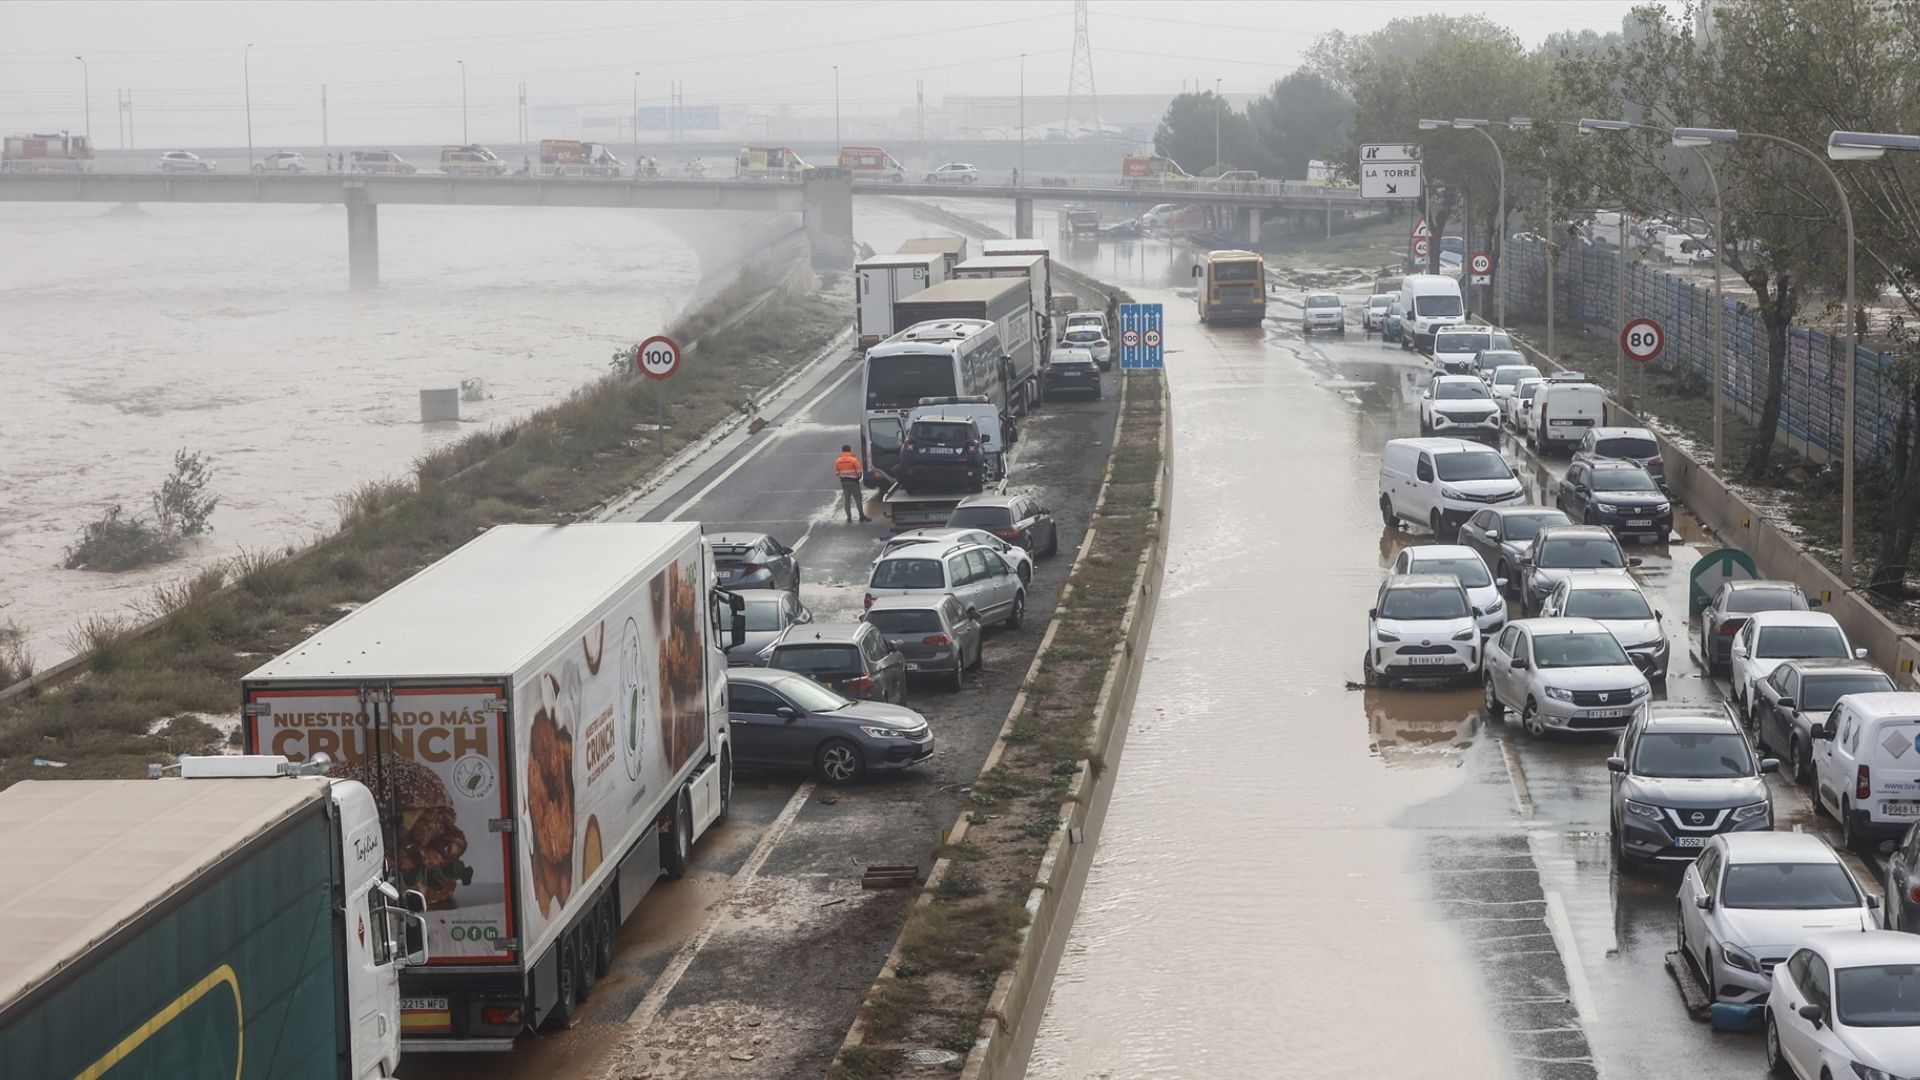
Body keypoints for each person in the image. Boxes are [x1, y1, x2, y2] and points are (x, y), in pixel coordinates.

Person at [834, 444, 869, 523]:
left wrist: (842, 477)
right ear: (850, 450)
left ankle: (849, 517)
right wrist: (857, 478)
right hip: (854, 482)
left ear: (842, 451)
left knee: (847, 500)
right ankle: (861, 516)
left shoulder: (838, 461)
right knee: (858, 499)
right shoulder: (853, 460)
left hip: (844, 482)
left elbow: (837, 473)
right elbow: (859, 472)